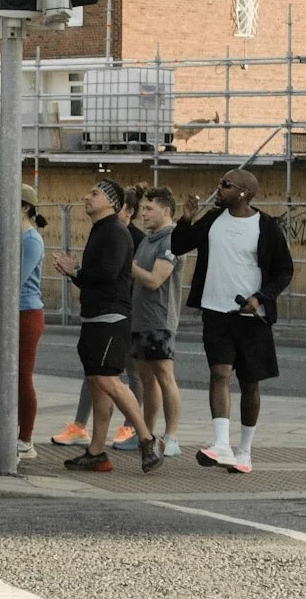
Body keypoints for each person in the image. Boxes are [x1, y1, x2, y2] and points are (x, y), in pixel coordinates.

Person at [174, 169, 294, 474]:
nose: (219, 188)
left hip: (251, 316)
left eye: (225, 185)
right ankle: (221, 445)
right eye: (219, 182)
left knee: (249, 383)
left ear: (243, 193)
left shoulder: (266, 227)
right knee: (219, 373)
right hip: (215, 311)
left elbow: (284, 270)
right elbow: (178, 245)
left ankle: (245, 451)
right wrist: (186, 218)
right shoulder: (213, 220)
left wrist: (261, 298)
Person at [50, 179, 160, 473]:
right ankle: (97, 452)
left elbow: (108, 274)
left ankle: (146, 439)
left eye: (95, 193)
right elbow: (95, 278)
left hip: (111, 319)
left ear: (112, 202)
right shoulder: (101, 229)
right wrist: (75, 273)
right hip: (94, 317)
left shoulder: (114, 231)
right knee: (97, 384)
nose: (87, 197)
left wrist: (76, 271)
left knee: (109, 381)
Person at [130, 186, 184, 458]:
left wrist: (128, 266)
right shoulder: (147, 240)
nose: (144, 214)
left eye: (149, 209)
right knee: (146, 380)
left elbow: (154, 280)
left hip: (160, 319)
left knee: (164, 377)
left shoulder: (172, 240)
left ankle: (171, 436)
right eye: (142, 209)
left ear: (166, 210)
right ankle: (147, 434)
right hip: (139, 319)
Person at [14, 188, 47, 460]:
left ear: (26, 207)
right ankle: (15, 434)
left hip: (27, 312)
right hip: (17, 312)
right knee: (12, 377)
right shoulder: (19, 236)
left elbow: (16, 279)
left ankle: (26, 439)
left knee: (23, 376)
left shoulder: (31, 239)